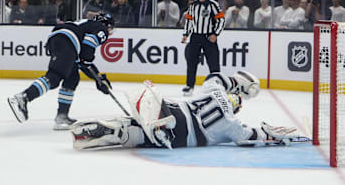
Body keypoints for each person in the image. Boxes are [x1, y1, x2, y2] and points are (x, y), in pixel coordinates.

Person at [71, 71, 300, 150]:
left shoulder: (213, 91)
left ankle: (122, 128)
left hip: (169, 109)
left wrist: (237, 81)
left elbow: (215, 77)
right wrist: (269, 134)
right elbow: (248, 137)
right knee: (145, 137)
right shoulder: (231, 124)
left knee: (135, 126)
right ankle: (150, 132)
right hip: (181, 135)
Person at [7, 13, 115, 130]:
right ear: (106, 24)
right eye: (110, 28)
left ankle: (62, 116)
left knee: (72, 77)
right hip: (69, 40)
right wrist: (96, 76)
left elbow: (83, 60)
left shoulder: (85, 24)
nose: (109, 31)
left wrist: (98, 78)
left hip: (58, 38)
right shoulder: (101, 28)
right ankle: (24, 97)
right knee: (55, 76)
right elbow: (88, 46)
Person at [181, 0, 225, 96]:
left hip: (208, 36)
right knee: (191, 61)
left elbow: (221, 19)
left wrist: (215, 34)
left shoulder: (212, 4)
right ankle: (189, 85)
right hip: (195, 36)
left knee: (213, 62)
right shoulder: (193, 5)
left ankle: (216, 85)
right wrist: (186, 34)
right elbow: (189, 20)